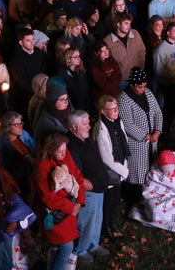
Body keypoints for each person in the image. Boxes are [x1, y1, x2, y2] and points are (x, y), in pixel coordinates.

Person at [35, 133, 84, 270]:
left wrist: (79, 201)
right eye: (60, 151)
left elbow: (78, 176)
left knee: (58, 246)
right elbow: (47, 197)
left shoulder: (66, 154)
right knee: (66, 247)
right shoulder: (42, 166)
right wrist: (70, 207)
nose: (64, 153)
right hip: (57, 213)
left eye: (65, 149)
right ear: (50, 150)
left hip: (70, 209)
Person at [66, 110, 110, 264]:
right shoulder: (71, 146)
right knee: (85, 222)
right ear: (74, 127)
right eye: (85, 124)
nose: (89, 126)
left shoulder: (86, 139)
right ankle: (80, 250)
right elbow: (75, 175)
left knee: (97, 218)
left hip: (99, 188)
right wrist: (90, 186)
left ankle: (93, 244)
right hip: (88, 192)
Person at [117, 67, 163, 205]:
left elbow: (157, 113)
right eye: (139, 87)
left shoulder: (148, 93)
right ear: (132, 85)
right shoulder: (123, 99)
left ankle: (147, 195)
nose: (142, 89)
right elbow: (128, 124)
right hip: (136, 144)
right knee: (136, 172)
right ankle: (131, 199)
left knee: (150, 168)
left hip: (152, 141)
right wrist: (146, 136)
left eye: (144, 86)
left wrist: (157, 131)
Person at [92, 95, 129, 240]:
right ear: (103, 111)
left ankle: (113, 223)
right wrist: (123, 171)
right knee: (109, 200)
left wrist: (124, 167)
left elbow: (123, 143)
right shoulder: (101, 128)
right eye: (111, 109)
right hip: (109, 171)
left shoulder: (118, 122)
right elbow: (106, 157)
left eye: (116, 108)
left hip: (120, 168)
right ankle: (105, 226)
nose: (116, 111)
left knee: (115, 200)